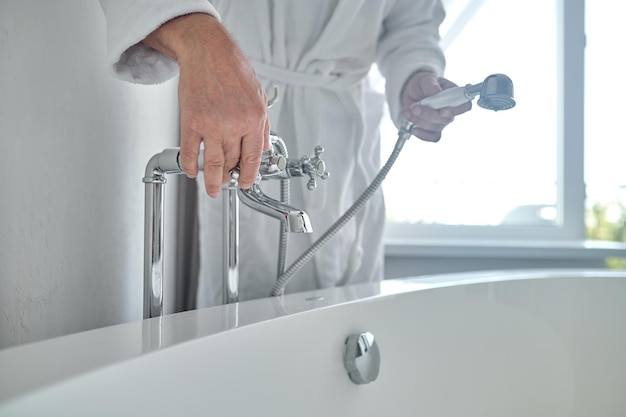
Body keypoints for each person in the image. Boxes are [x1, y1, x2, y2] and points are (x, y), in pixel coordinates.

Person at [98, 0, 471, 307]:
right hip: (241, 105)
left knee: (349, 337)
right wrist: (197, 38)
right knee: (243, 325)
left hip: (348, 137)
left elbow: (411, 23)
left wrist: (415, 74)